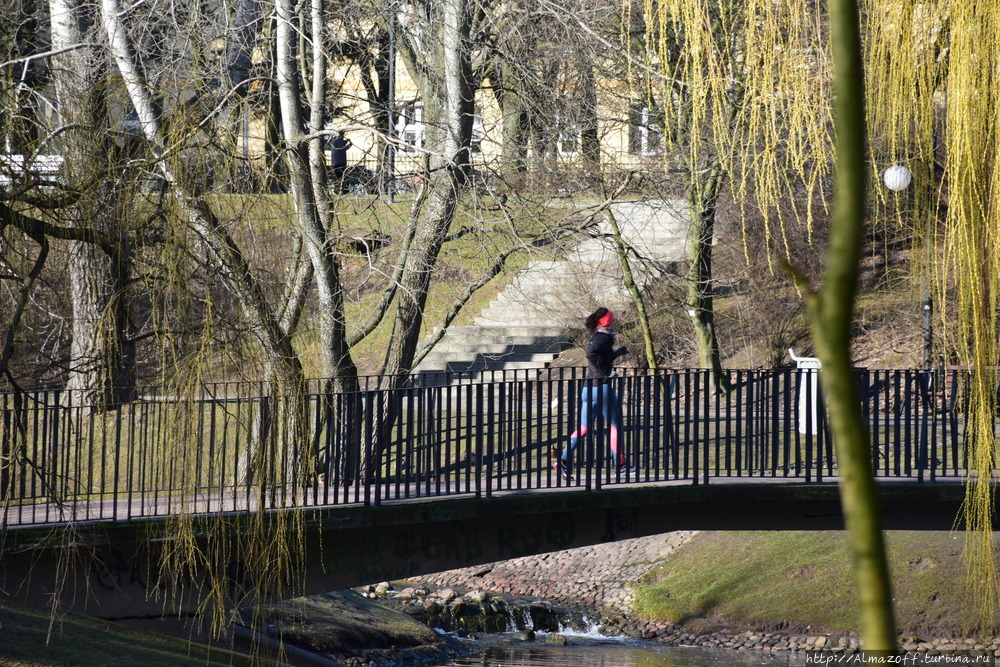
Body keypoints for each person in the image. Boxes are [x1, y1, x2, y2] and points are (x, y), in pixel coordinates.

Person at [554, 307, 632, 479]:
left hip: (588, 389)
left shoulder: (599, 336)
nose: (615, 321)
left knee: (583, 428)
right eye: (613, 319)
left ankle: (562, 462)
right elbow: (592, 354)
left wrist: (616, 354)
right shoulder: (603, 338)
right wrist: (607, 373)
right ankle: (620, 465)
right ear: (607, 321)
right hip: (601, 388)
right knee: (614, 425)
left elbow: (600, 357)